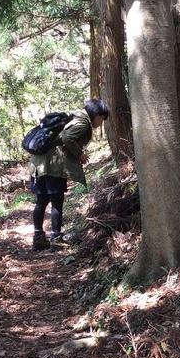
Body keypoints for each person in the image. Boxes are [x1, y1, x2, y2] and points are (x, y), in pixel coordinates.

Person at [29, 98, 109, 252]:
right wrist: (80, 155)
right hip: (53, 164)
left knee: (41, 200)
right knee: (56, 201)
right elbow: (67, 138)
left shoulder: (72, 117)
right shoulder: (82, 122)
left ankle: (38, 239)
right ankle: (56, 239)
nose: (101, 123)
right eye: (102, 119)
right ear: (97, 114)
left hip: (38, 163)